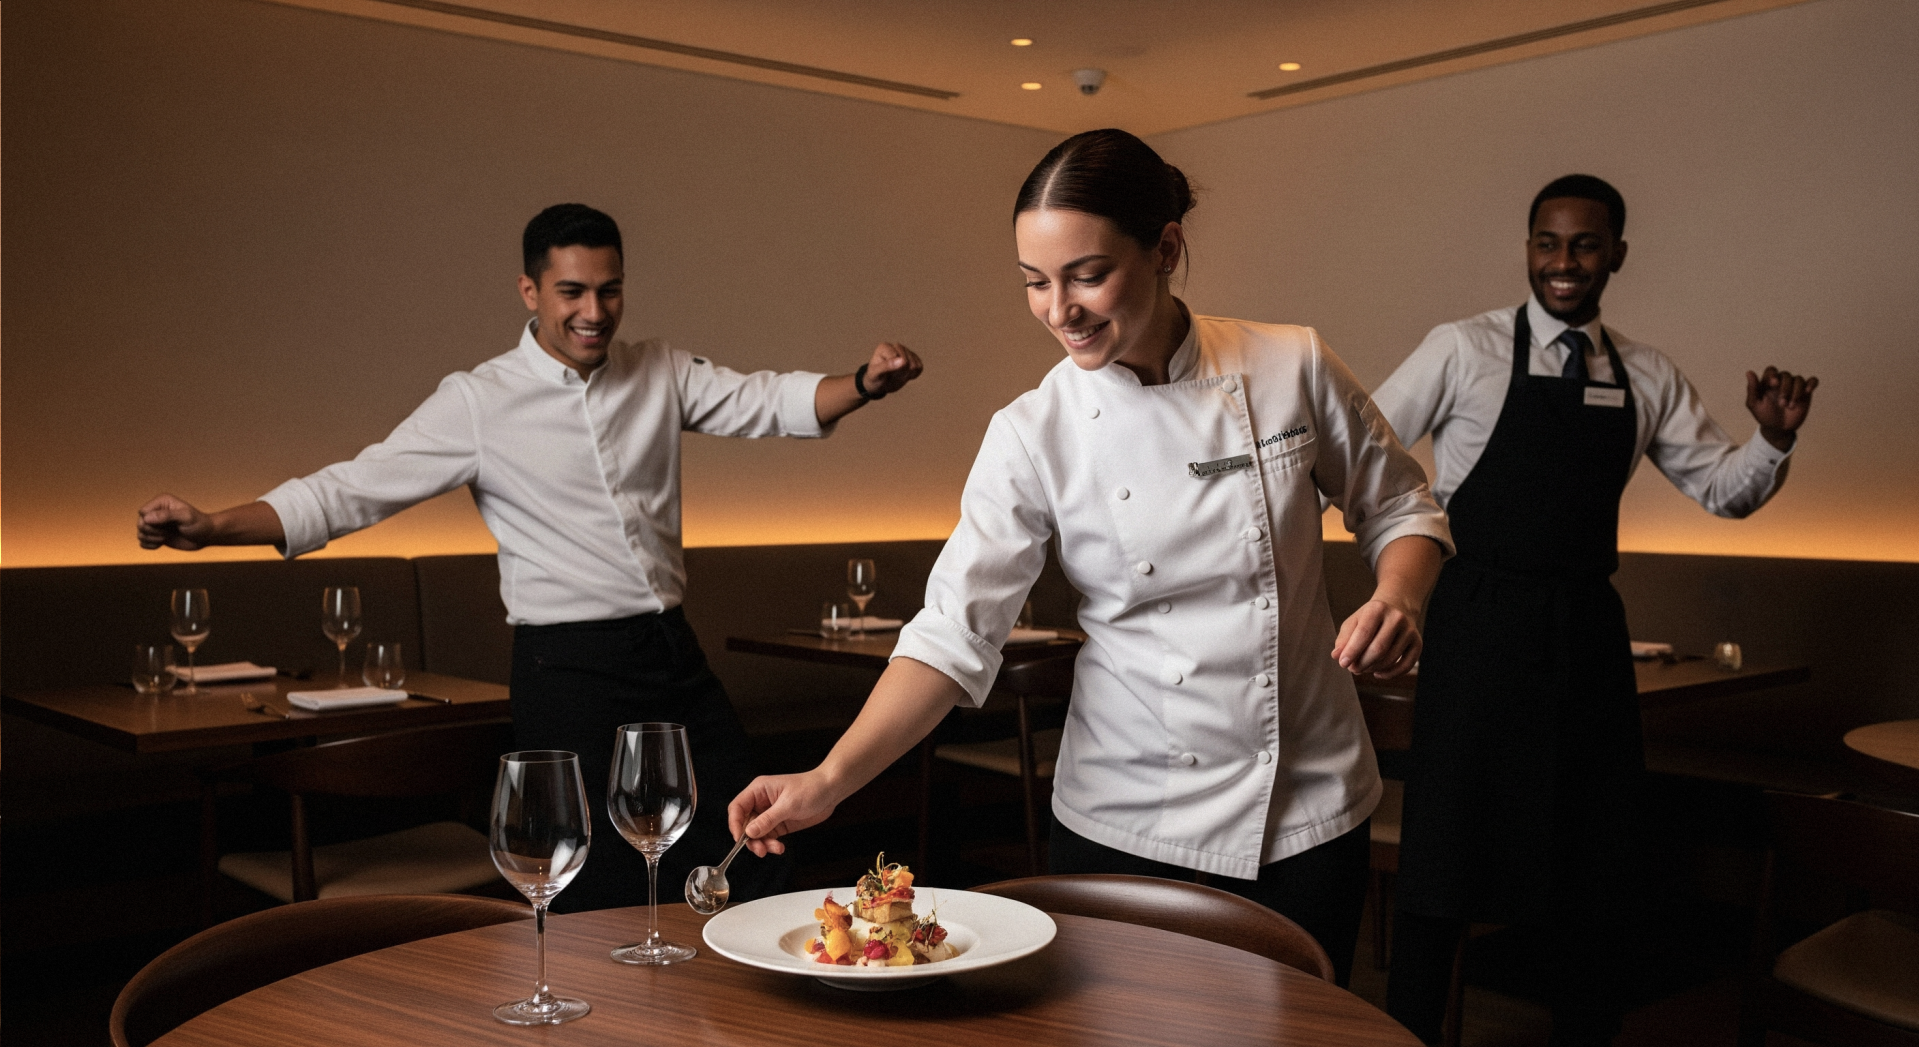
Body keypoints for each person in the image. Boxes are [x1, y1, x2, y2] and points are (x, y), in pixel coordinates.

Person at [726, 129, 1452, 986]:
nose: (1058, 309)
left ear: (1165, 249)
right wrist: (829, 778)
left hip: (1303, 805)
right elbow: (952, 634)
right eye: (1035, 281)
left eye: (1086, 274)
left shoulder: (1289, 364)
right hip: (1124, 816)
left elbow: (1400, 504)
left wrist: (1399, 596)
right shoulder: (1032, 431)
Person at [135, 203, 924, 913]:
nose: (593, 312)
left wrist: (863, 382)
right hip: (566, 668)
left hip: (669, 651)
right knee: (599, 879)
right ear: (530, 291)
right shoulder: (479, 400)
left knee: (750, 840)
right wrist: (212, 525)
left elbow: (770, 400)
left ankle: (747, 999)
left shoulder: (658, 369)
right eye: (571, 291)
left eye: (609, 290)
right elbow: (348, 491)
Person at [1373, 175, 1818, 1045]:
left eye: (1583, 244)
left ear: (1616, 253)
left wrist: (1772, 438)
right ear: (1527, 249)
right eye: (1547, 242)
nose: (1563, 261)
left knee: (1595, 856)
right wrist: (1402, 560)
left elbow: (1722, 491)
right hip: (1476, 619)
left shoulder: (1645, 373)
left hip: (1585, 628)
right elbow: (1366, 450)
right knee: (1447, 849)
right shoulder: (1460, 348)